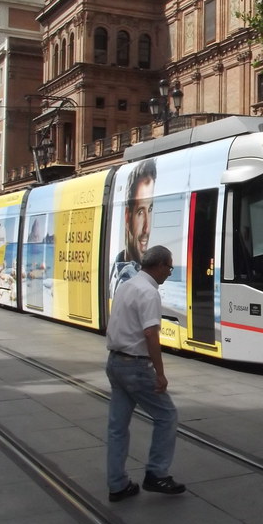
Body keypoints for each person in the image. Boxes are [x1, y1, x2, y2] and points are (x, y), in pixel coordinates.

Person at [105, 244, 185, 502]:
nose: (169, 273)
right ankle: (156, 474)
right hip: (135, 367)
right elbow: (151, 334)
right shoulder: (149, 293)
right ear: (159, 265)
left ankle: (117, 484)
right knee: (167, 415)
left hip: (115, 363)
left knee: (118, 427)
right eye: (169, 268)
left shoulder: (127, 285)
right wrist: (159, 373)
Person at [110, 159, 157, 296]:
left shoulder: (117, 268)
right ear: (127, 216)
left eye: (150, 209)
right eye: (140, 212)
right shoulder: (129, 280)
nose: (147, 228)